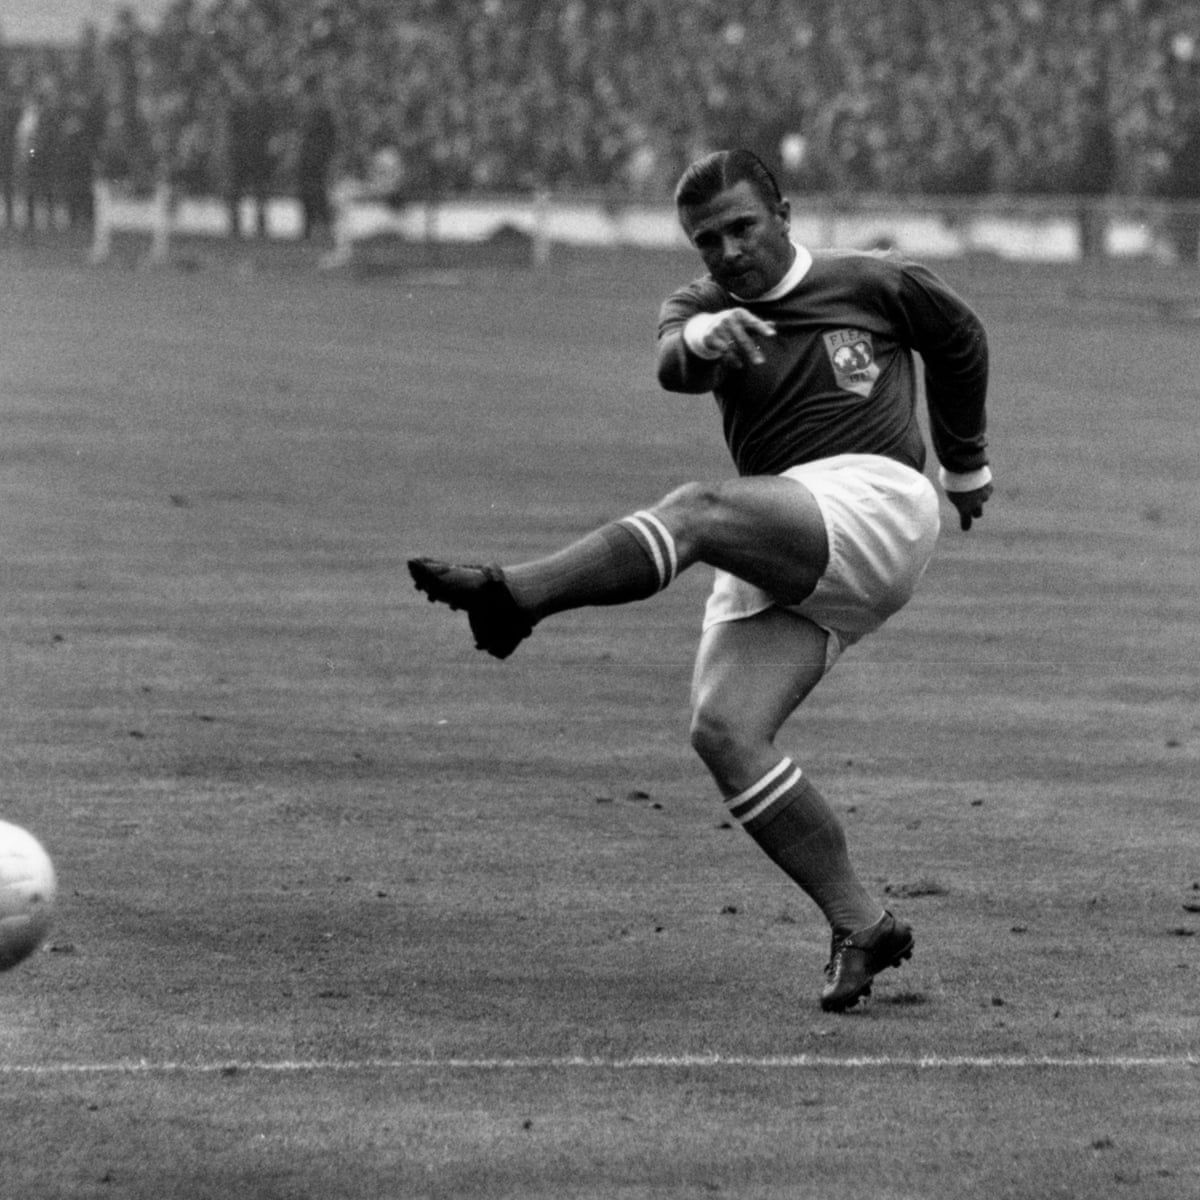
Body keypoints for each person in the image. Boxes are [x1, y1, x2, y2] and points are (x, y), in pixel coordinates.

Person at [409, 149, 991, 1012]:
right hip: (790, 529)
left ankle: (513, 596)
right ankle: (862, 925)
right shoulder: (698, 305)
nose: (726, 252)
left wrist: (967, 464)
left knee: (695, 512)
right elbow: (673, 362)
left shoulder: (873, 282)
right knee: (724, 731)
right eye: (706, 239)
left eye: (742, 228)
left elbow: (959, 340)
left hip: (876, 499)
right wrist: (702, 338)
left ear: (785, 214)